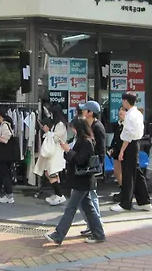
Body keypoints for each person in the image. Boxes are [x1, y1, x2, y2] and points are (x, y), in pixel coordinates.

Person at [44, 117, 106, 245]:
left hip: (83, 180)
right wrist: (67, 150)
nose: (72, 130)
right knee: (89, 208)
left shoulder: (87, 142)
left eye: (73, 128)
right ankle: (99, 234)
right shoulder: (80, 140)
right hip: (81, 180)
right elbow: (72, 158)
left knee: (71, 208)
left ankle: (58, 235)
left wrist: (68, 150)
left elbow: (80, 160)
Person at [110, 92, 152, 213]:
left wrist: (122, 151)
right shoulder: (138, 113)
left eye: (123, 100)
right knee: (136, 173)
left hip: (129, 145)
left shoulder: (130, 116)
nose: (122, 103)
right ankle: (144, 201)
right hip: (136, 143)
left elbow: (127, 136)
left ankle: (125, 203)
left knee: (128, 174)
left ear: (126, 101)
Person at [78, 101, 106, 234]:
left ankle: (95, 225)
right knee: (88, 196)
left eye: (85, 110)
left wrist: (98, 165)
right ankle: (92, 225)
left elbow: (101, 149)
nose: (82, 111)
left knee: (91, 195)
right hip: (87, 165)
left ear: (90, 113)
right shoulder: (88, 125)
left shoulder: (98, 127)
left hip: (92, 166)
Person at [34, 104, 67, 206]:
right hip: (54, 152)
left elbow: (56, 138)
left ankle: (59, 195)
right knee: (50, 173)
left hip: (56, 152)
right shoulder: (57, 124)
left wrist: (48, 132)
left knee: (51, 173)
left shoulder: (60, 125)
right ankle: (57, 194)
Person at [108, 106, 126, 201]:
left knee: (124, 172)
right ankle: (122, 188)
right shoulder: (118, 124)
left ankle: (125, 191)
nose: (120, 112)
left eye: (123, 110)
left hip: (124, 151)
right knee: (116, 172)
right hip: (117, 150)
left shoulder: (128, 125)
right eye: (120, 110)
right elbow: (115, 137)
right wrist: (111, 147)